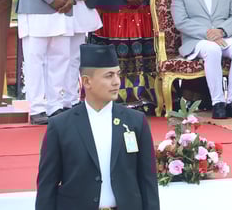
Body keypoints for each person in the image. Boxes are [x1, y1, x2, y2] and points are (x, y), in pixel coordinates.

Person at [35, 44, 159, 210]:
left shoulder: (135, 121)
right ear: (87, 81)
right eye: (108, 76)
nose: (116, 82)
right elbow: (47, 186)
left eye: (117, 74)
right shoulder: (61, 126)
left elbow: (148, 180)